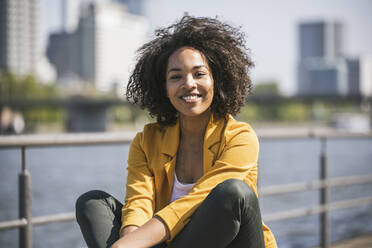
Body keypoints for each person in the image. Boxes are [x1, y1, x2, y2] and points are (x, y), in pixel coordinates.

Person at [76, 15, 277, 248]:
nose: (188, 83)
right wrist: (129, 239)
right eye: (176, 76)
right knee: (92, 202)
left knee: (233, 192)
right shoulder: (145, 141)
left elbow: (197, 201)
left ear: (217, 80)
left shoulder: (240, 137)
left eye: (199, 74)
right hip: (169, 242)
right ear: (164, 88)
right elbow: (138, 204)